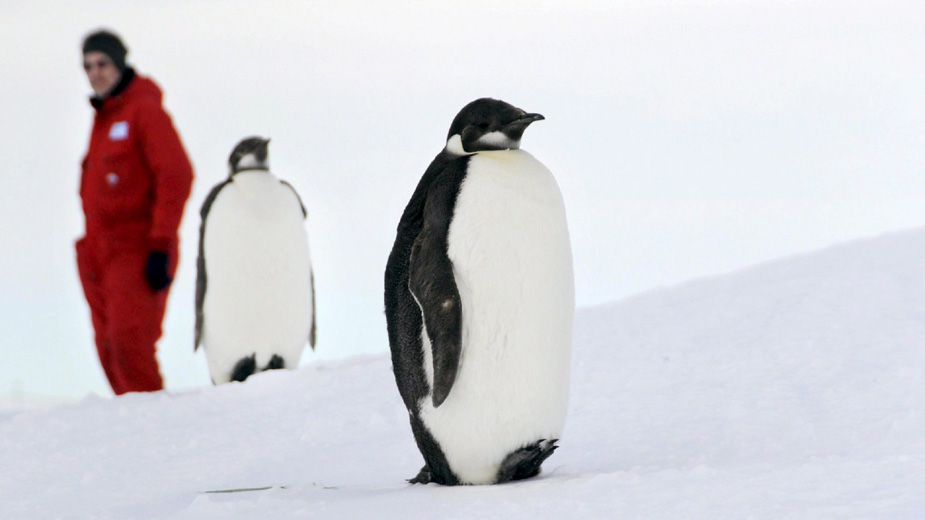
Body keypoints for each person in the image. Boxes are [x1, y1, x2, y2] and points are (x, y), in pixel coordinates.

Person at [75, 29, 194, 395]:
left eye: (103, 63)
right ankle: (131, 434)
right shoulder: (105, 119)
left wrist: (160, 244)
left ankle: (154, 431)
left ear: (120, 63)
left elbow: (176, 174)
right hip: (98, 250)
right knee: (109, 350)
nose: (95, 72)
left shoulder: (144, 111)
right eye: (88, 65)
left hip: (137, 247)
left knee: (131, 345)